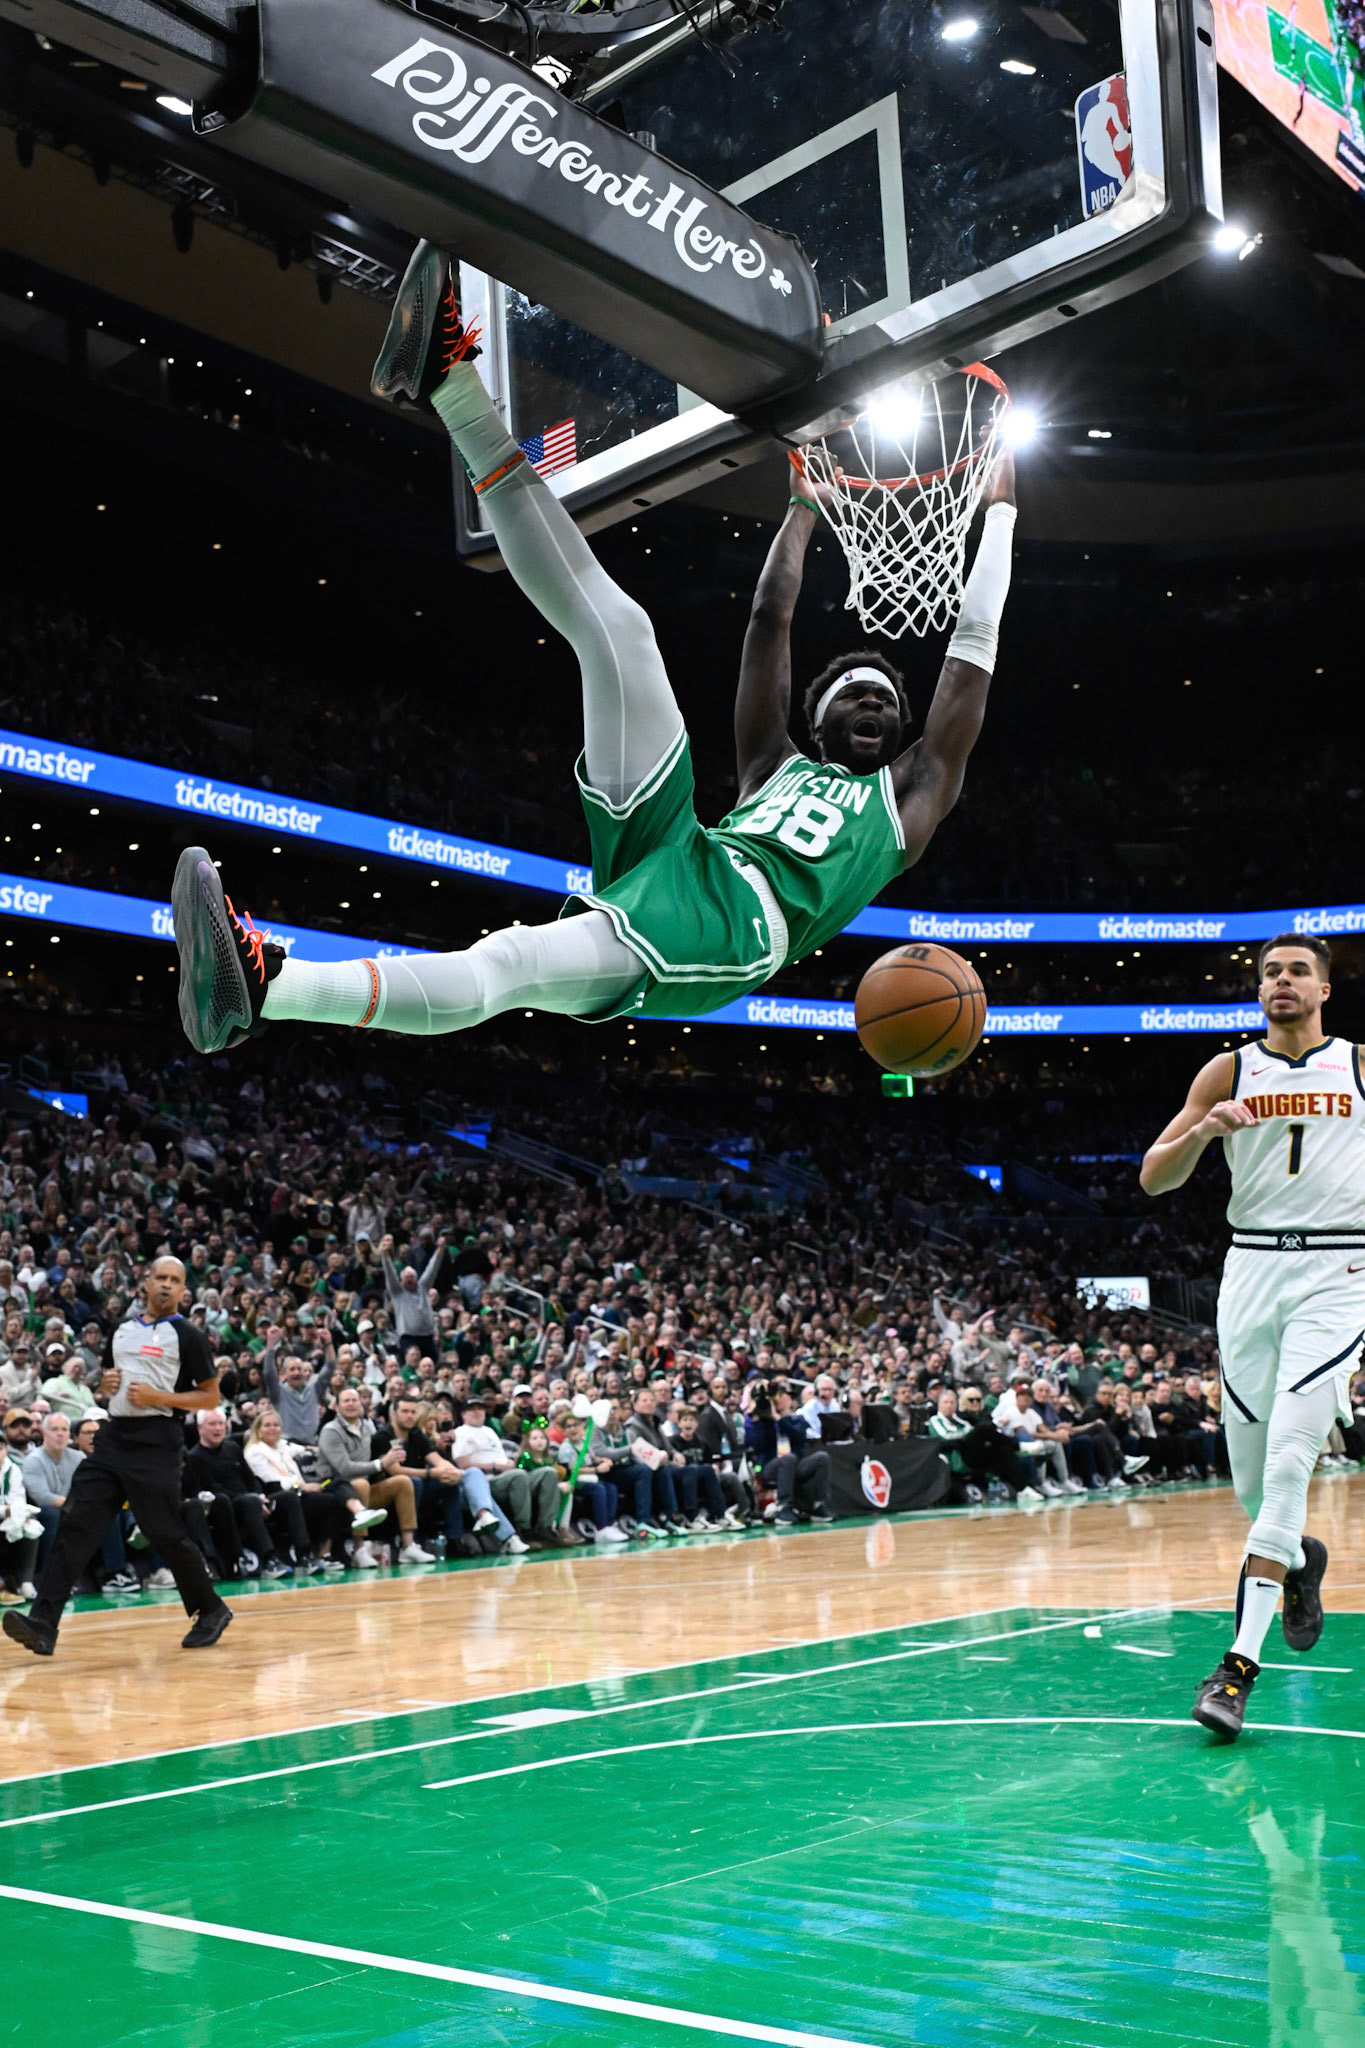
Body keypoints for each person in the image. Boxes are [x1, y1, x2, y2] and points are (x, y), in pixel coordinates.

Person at [170, 241, 1016, 1062]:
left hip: (734, 925)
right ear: (814, 717)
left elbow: (971, 647)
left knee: (513, 961)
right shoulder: (771, 764)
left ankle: (267, 991)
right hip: (685, 847)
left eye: (883, 701)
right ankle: (449, 382)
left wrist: (1001, 513)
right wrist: (800, 504)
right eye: (854, 694)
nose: (872, 702)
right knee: (621, 633)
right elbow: (768, 619)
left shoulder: (910, 798)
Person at [1140, 933, 1363, 1739]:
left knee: (1287, 1462)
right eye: (1269, 971)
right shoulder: (1226, 1072)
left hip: (1339, 1275)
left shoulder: (1360, 1066)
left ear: (1324, 991)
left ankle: (1234, 1670)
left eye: (1297, 970)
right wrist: (1202, 1134)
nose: (1281, 981)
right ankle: (1298, 1562)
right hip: (1251, 1274)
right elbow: (1152, 1175)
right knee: (1250, 1489)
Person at [3, 1257, 232, 1657]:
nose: (166, 1285)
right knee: (77, 1521)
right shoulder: (121, 1330)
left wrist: (161, 1398)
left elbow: (210, 1395)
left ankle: (210, 1609)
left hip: (158, 1439)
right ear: (145, 1283)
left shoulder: (189, 1336)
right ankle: (43, 1624)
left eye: (174, 1281)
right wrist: (105, 1384)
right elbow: (112, 1380)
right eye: (160, 1277)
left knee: (162, 1531)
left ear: (182, 1290)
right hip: (113, 1436)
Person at [316, 1386, 436, 1566]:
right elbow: (344, 1468)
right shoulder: (330, 1430)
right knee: (361, 1484)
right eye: (346, 1401)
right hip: (336, 1487)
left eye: (354, 1400)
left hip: (366, 1484)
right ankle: (359, 1549)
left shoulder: (368, 1426)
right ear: (338, 1406)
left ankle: (408, 1546)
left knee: (403, 1481)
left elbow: (377, 1455)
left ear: (361, 1404)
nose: (351, 1404)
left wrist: (389, 1459)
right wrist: (381, 1463)